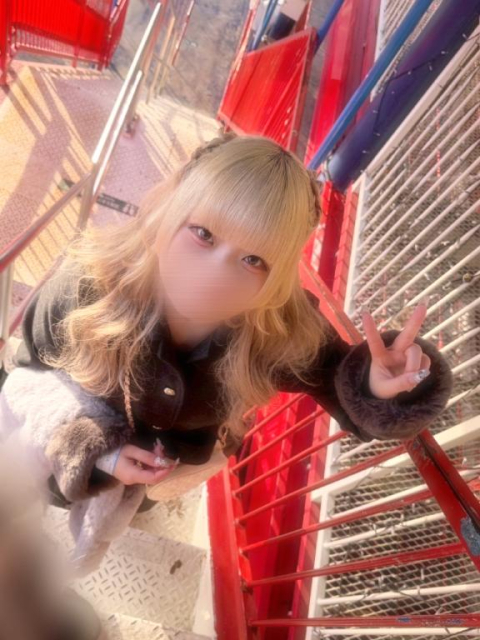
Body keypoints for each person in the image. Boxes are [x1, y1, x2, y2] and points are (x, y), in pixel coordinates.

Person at [11, 129, 453, 516]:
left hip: (151, 487)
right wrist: (100, 456)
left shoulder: (277, 333)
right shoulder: (86, 288)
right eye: (203, 234)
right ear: (170, 212)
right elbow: (28, 381)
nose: (216, 275)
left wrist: (379, 387)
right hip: (58, 461)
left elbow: (340, 377)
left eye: (253, 260)